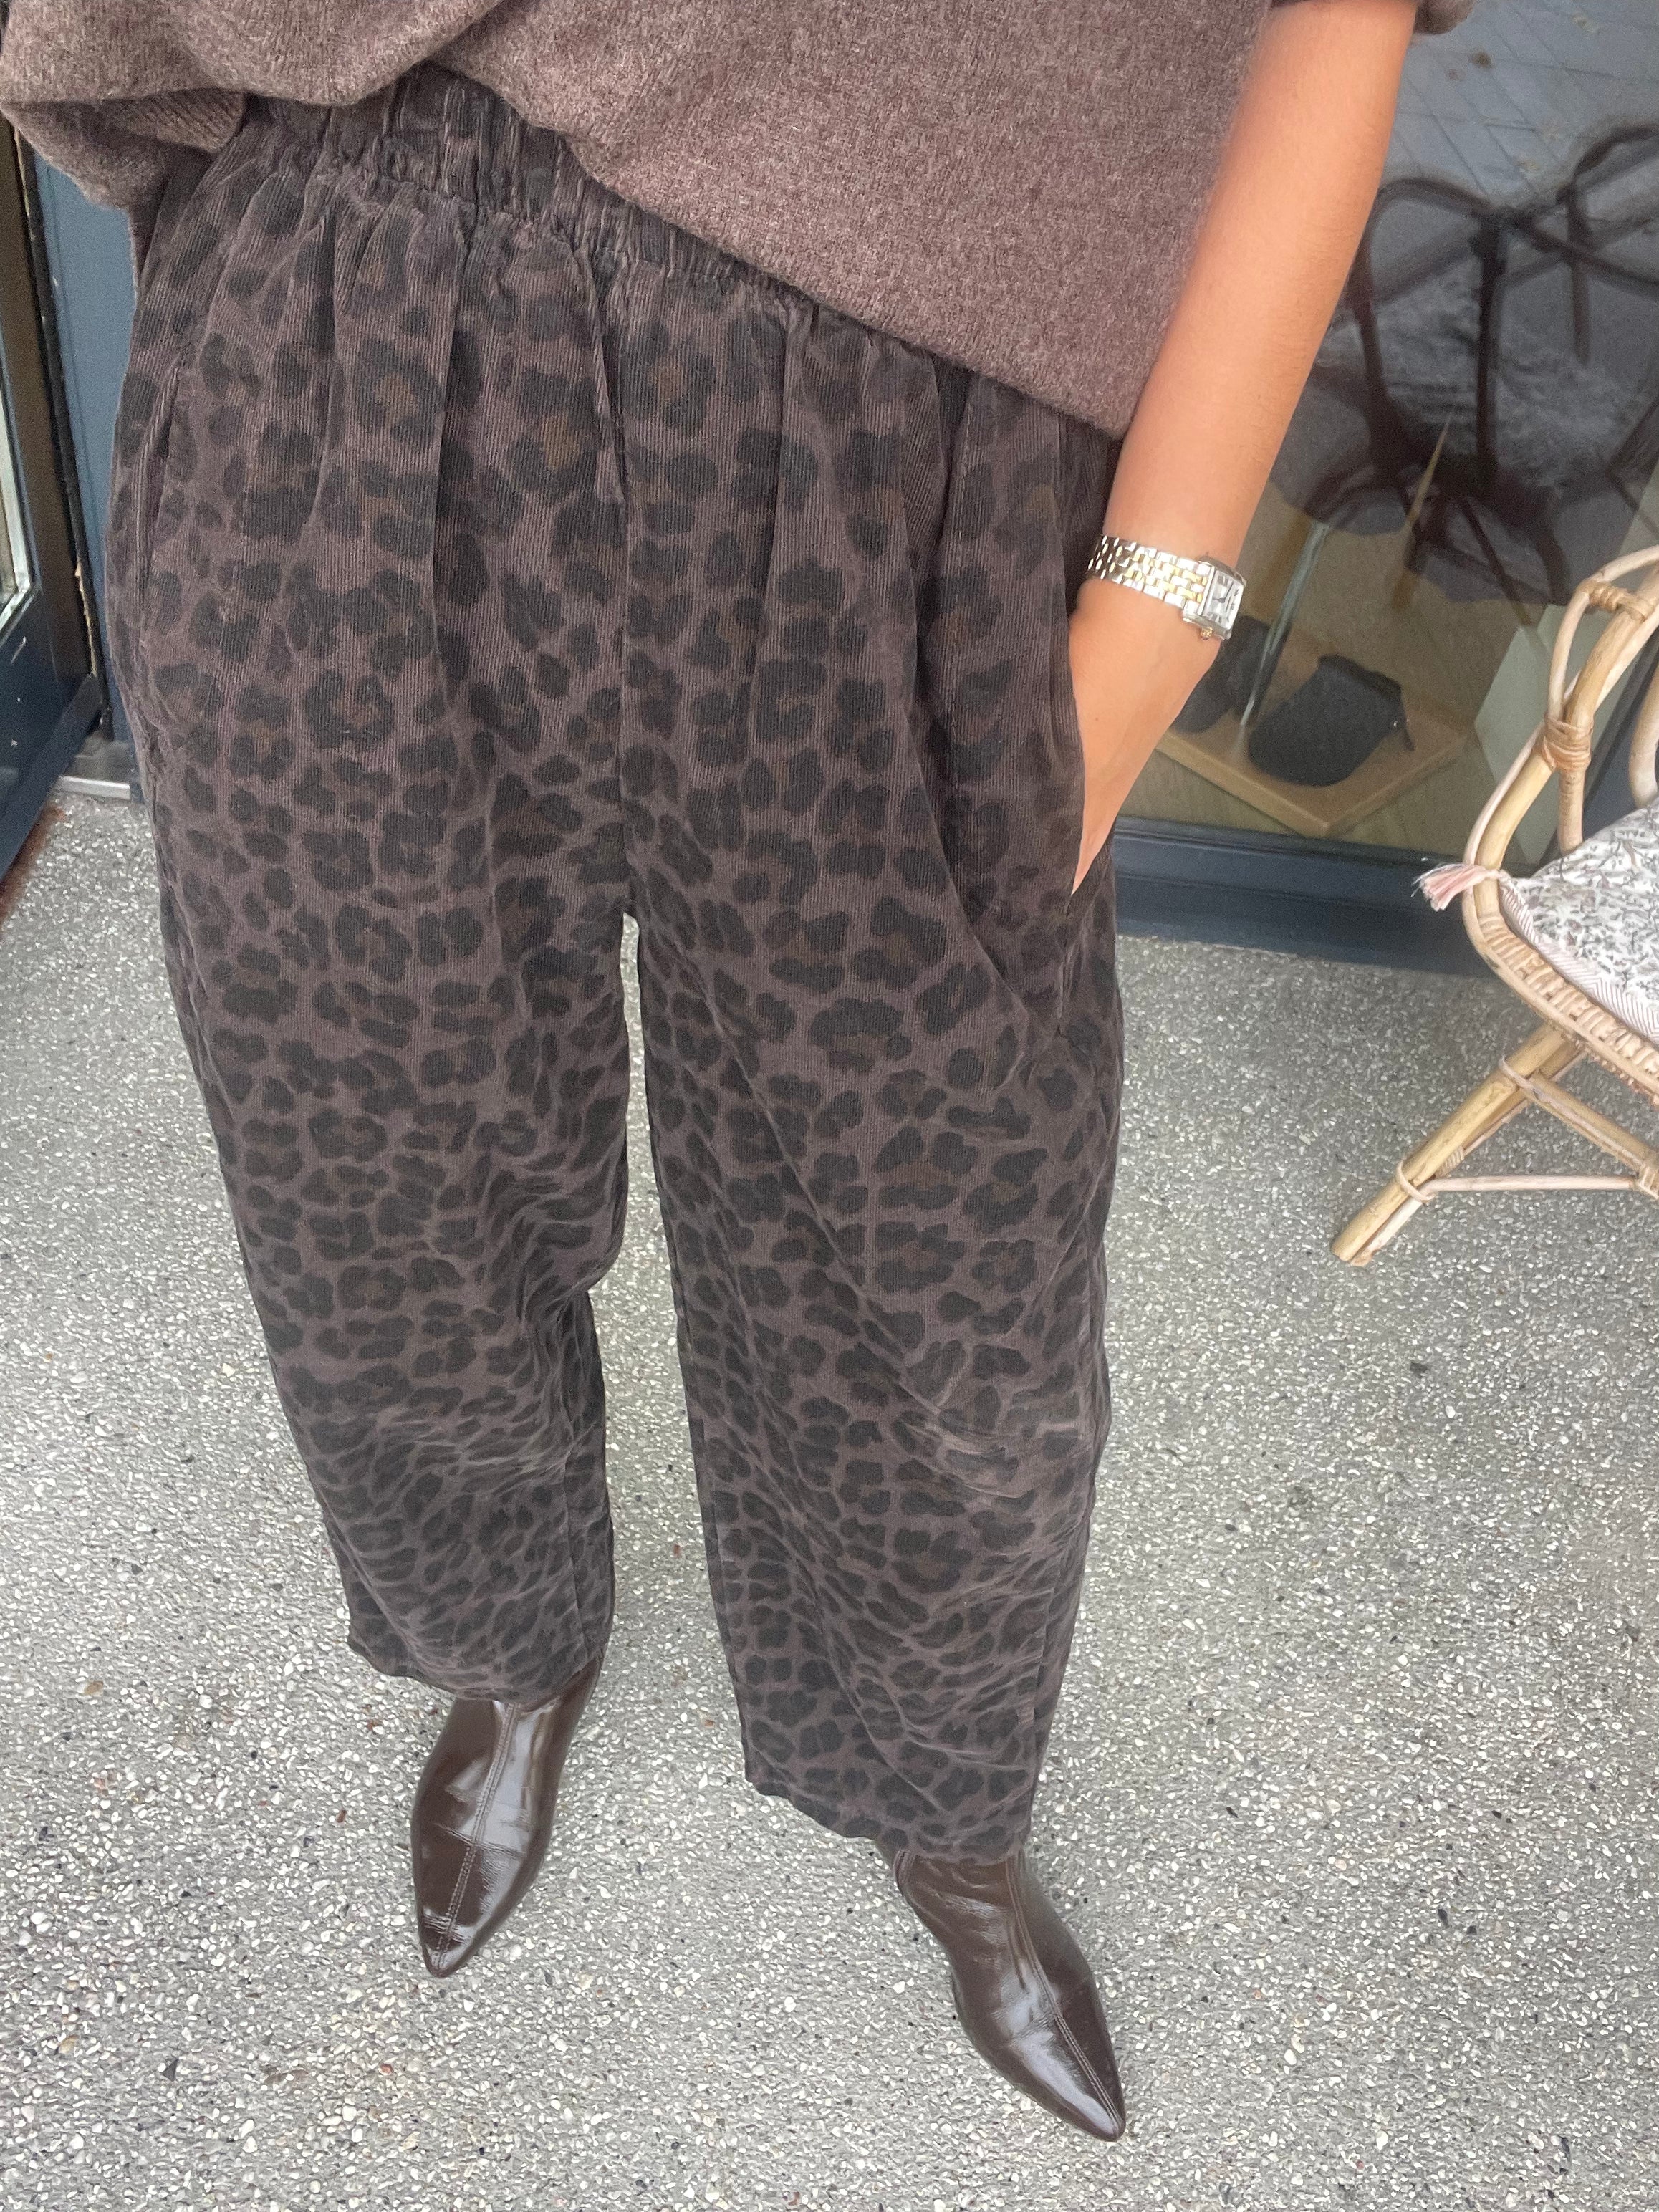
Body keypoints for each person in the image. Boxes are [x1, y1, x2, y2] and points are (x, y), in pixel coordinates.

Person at [0, 0, 1466, 2143]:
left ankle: (944, 1804)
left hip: (915, 435)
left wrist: (1154, 608)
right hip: (339, 323)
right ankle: (508, 1645)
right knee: (375, 1177)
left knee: (947, 1285)